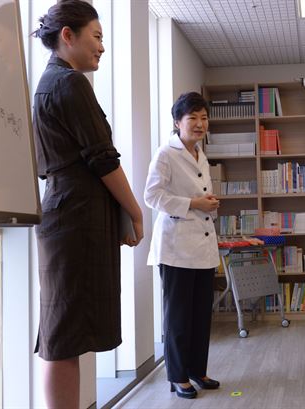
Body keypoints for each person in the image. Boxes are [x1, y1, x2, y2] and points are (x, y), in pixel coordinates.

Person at [31, 1, 144, 407]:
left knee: (66, 332)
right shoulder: (69, 83)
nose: (101, 47)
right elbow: (102, 157)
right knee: (63, 336)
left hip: (66, 212)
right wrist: (134, 210)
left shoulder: (54, 81)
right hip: (73, 217)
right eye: (96, 37)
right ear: (68, 36)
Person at [145, 92, 221, 399]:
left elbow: (201, 197)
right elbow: (152, 196)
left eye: (204, 117)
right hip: (176, 248)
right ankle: (178, 376)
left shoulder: (199, 153)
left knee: (201, 315)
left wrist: (208, 204)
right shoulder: (166, 153)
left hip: (202, 247)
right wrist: (194, 203)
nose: (200, 124)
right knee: (177, 317)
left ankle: (196, 370)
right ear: (178, 122)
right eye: (192, 118)